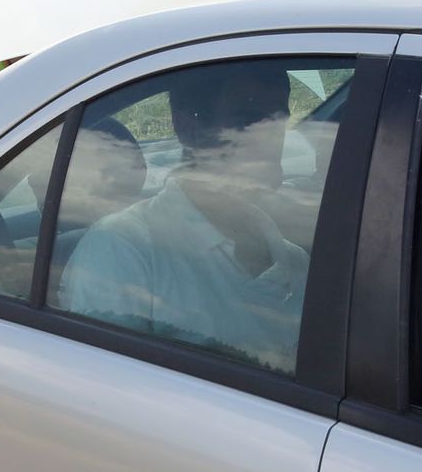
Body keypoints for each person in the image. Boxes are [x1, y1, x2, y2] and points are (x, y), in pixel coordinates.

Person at [59, 62, 307, 372]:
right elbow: (103, 392)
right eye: (247, 121)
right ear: (188, 129)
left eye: (277, 120)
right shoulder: (125, 248)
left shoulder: (296, 262)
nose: (269, 138)